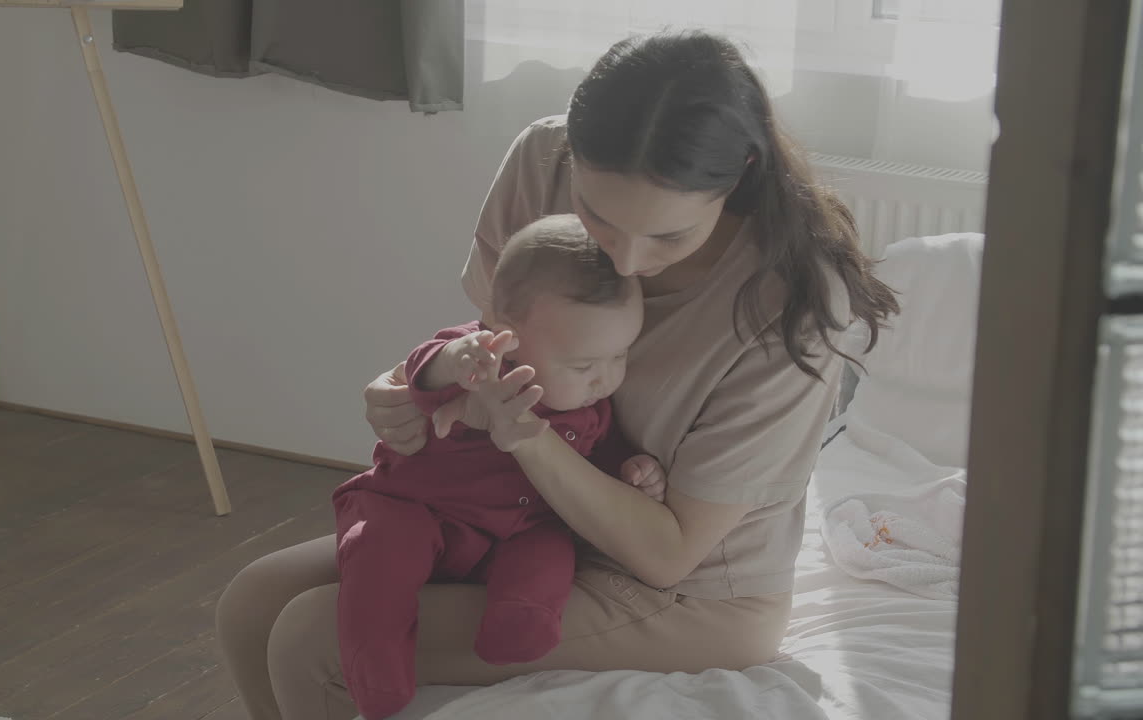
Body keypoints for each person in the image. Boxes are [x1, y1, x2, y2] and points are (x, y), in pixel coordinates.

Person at [215, 30, 898, 720]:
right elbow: (497, 345)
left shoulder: (795, 301)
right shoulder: (542, 161)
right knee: (253, 600)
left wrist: (528, 437)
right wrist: (406, 386)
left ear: (740, 175)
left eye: (668, 236)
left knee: (312, 638)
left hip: (686, 589)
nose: (627, 262)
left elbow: (668, 553)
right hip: (521, 514)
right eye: (597, 218)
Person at [332, 214, 662, 719]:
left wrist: (633, 471)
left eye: (619, 356)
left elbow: (598, 459)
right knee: (379, 557)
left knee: (551, 555)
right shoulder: (479, 363)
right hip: (417, 509)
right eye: (583, 365)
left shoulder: (591, 406)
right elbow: (423, 369)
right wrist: (458, 359)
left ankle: (519, 626)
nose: (604, 378)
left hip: (521, 527)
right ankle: (375, 669)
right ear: (505, 336)